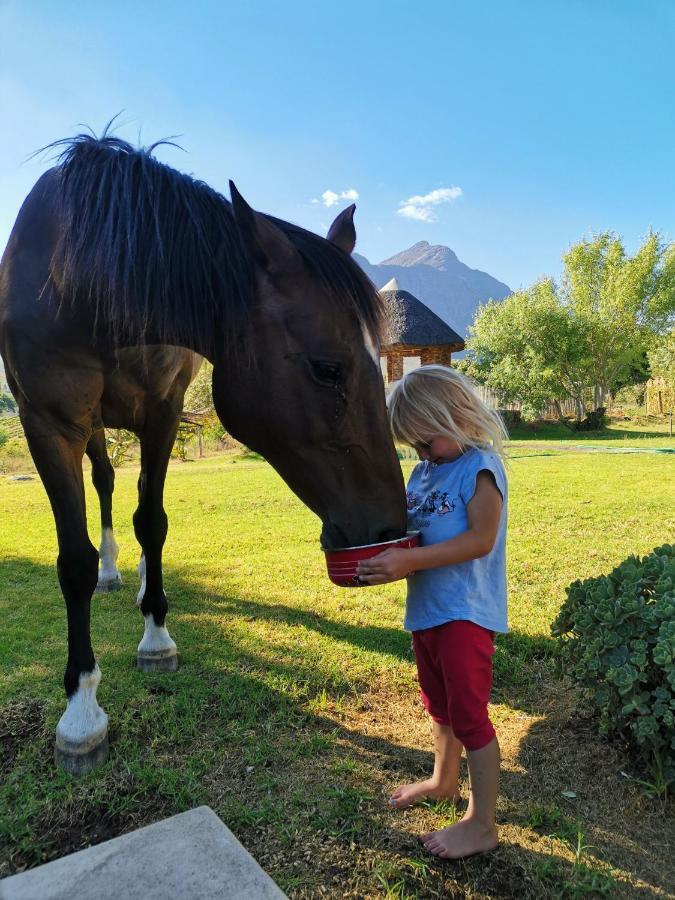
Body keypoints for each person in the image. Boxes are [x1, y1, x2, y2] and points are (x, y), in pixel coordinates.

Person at [356, 365, 508, 860]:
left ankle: (481, 823)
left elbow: (480, 540)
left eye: (426, 443)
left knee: (469, 716)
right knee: (438, 706)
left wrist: (410, 560)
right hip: (427, 610)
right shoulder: (424, 473)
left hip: (464, 613)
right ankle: (444, 781)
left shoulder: (480, 467)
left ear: (457, 415)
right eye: (413, 448)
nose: (420, 455)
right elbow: (412, 529)